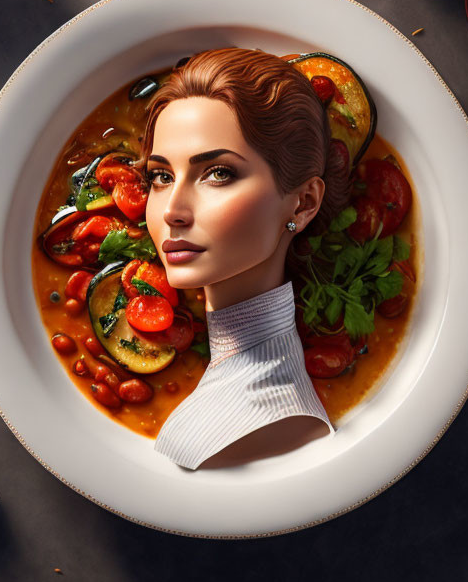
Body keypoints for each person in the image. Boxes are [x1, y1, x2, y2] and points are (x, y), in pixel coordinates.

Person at [141, 47, 348, 470]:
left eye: (218, 173)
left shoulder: (273, 413)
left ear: (303, 203)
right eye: (160, 177)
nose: (171, 210)